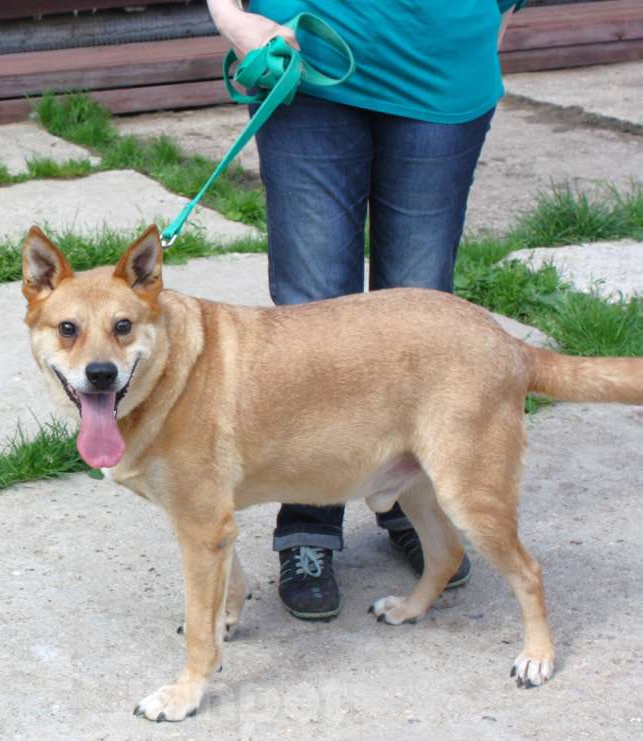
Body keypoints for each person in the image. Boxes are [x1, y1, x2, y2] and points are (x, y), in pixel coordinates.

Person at [207, 0, 520, 620]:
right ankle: (310, 520)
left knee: (421, 307)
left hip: (444, 68)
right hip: (307, 56)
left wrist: (483, 30)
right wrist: (231, 17)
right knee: (309, 315)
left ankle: (414, 498)